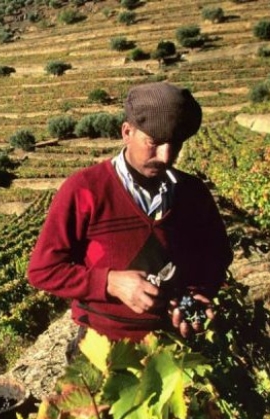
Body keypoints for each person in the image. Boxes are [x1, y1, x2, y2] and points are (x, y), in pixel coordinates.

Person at [27, 81, 233, 348]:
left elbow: (216, 255)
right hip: (101, 347)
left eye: (176, 145)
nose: (166, 156)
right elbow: (43, 270)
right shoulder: (85, 190)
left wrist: (195, 293)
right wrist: (110, 282)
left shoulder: (193, 193)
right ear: (127, 132)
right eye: (154, 143)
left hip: (175, 346)